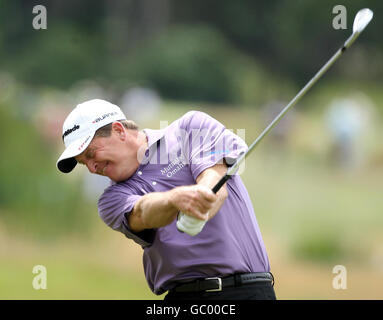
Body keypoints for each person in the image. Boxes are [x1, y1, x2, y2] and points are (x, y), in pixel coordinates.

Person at [56, 99, 276, 300]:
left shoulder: (190, 128)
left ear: (118, 130)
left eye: (92, 154)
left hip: (247, 292)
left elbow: (215, 181)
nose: (93, 168)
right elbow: (142, 213)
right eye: (84, 163)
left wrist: (200, 199)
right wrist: (174, 200)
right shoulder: (111, 200)